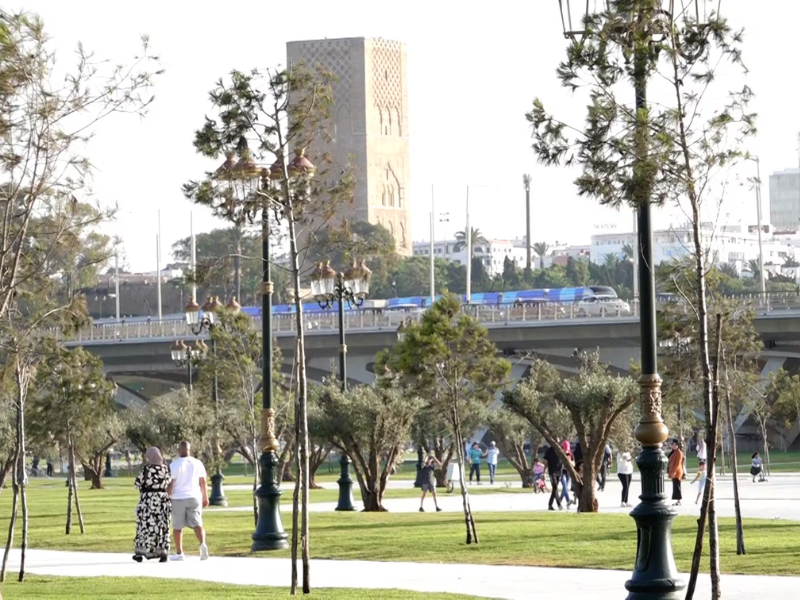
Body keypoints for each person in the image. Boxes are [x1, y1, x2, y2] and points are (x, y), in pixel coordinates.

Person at [168, 441, 209, 561]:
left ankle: (180, 553)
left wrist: (167, 495)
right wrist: (205, 497)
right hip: (194, 496)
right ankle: (202, 544)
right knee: (197, 523)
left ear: (179, 450)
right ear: (189, 450)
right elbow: (203, 482)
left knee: (177, 527)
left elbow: (171, 483)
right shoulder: (197, 463)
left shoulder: (174, 465)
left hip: (178, 498)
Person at [133, 446, 172, 562]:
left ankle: (142, 552)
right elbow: (169, 482)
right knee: (162, 526)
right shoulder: (166, 469)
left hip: (148, 500)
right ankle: (163, 551)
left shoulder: (146, 470)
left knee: (145, 526)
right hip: (163, 500)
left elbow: (137, 484)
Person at [543, 442, 563, 511]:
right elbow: (545, 462)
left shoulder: (560, 450)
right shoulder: (549, 450)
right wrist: (544, 472)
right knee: (555, 487)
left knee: (555, 489)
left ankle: (550, 505)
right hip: (552, 472)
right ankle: (559, 504)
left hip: (559, 472)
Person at [668, 439, 684, 506]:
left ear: (678, 446)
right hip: (674, 471)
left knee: (677, 486)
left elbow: (678, 463)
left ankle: (679, 500)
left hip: (677, 472)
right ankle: (678, 500)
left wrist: (674, 472)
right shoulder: (674, 452)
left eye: (675, 445)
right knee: (675, 486)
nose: (673, 446)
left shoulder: (679, 453)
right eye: (673, 444)